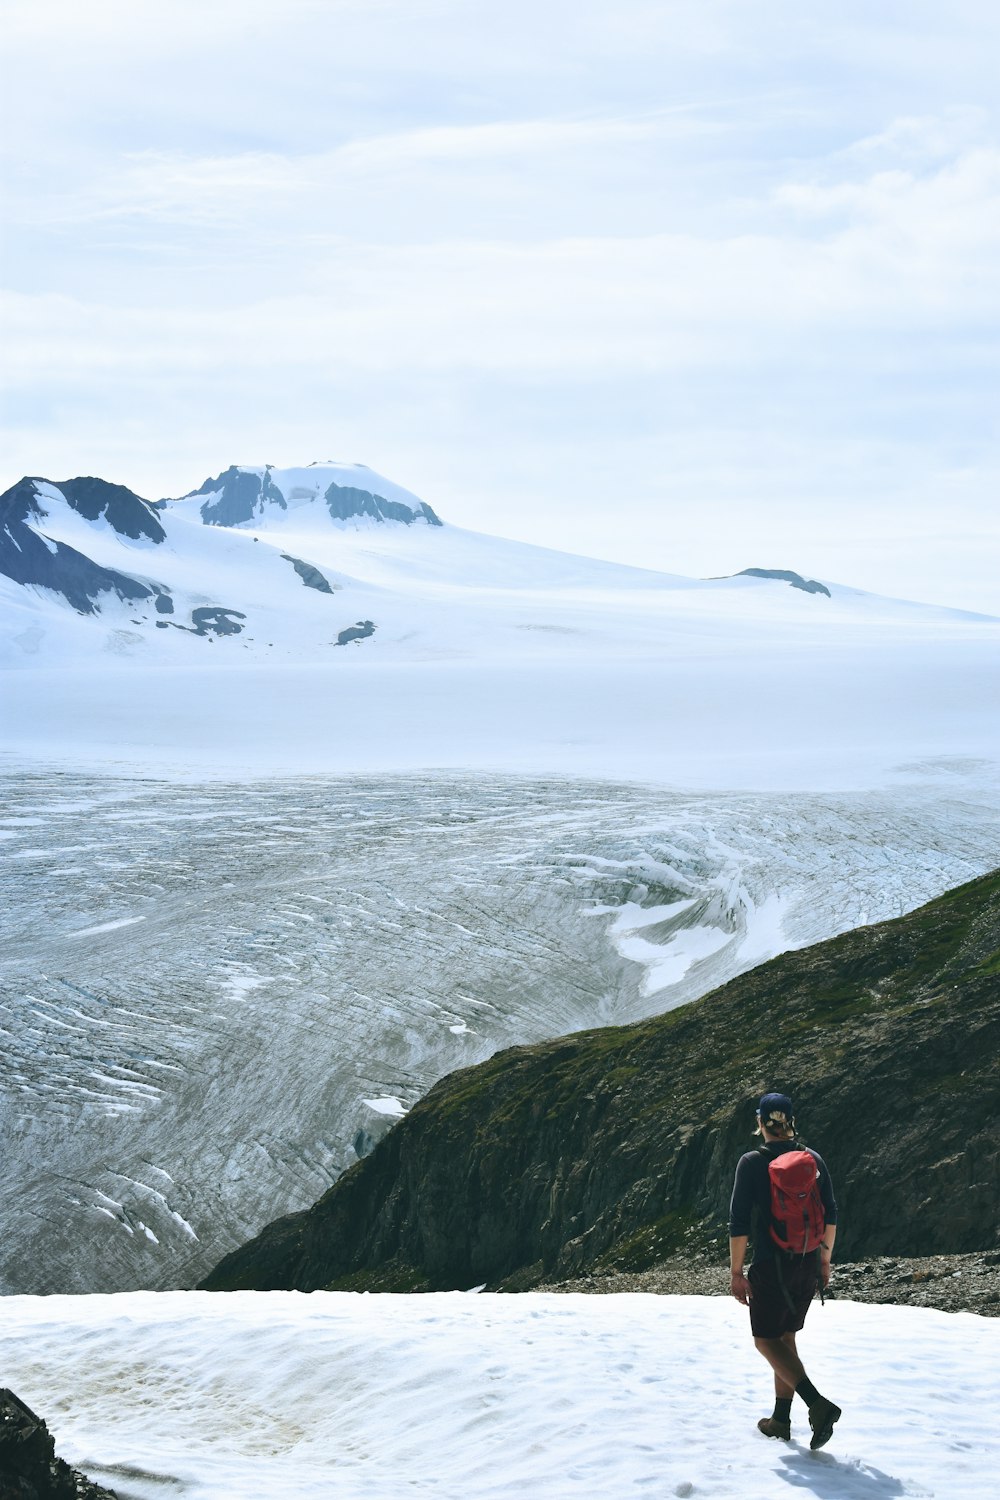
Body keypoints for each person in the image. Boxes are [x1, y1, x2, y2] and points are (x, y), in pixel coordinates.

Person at [729, 1091, 841, 1449]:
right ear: (791, 1122)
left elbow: (739, 1223)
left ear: (760, 1122)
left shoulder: (752, 1162)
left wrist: (736, 1272)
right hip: (807, 1260)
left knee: (765, 1340)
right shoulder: (813, 1158)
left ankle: (817, 1404)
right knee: (787, 1339)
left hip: (771, 1264)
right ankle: (780, 1420)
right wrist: (824, 1261)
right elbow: (832, 1212)